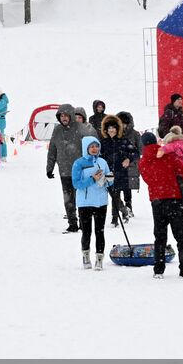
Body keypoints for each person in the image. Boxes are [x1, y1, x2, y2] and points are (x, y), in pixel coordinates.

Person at [139, 131, 183, 278]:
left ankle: (158, 269)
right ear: (155, 140)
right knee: (181, 236)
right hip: (173, 198)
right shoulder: (168, 154)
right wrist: (180, 185)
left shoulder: (143, 162)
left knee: (160, 236)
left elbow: (148, 179)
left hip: (157, 201)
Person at [71, 136, 112, 270]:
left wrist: (110, 179)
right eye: (92, 146)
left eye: (97, 146)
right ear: (86, 148)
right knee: (86, 231)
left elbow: (108, 179)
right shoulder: (79, 163)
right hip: (85, 202)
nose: (95, 149)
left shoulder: (102, 162)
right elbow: (76, 184)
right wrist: (92, 179)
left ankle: (99, 259)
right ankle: (86, 255)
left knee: (100, 231)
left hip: (101, 201)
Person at [46, 104, 86, 232]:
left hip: (79, 170)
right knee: (68, 199)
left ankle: (83, 223)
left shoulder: (80, 129)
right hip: (64, 170)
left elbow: (89, 147)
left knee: (80, 198)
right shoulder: (57, 130)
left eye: (66, 115)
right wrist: (49, 167)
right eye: (61, 115)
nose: (63, 118)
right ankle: (72, 223)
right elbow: (52, 149)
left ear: (70, 116)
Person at [99, 115, 137, 227]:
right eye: (109, 128)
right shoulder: (103, 142)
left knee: (116, 194)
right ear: (105, 129)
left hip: (121, 173)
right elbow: (99, 156)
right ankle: (124, 210)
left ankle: (114, 220)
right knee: (113, 194)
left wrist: (128, 159)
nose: (111, 130)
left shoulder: (124, 141)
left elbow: (135, 152)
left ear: (117, 129)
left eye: (113, 128)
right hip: (108, 172)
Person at [117, 111, 142, 218]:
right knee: (117, 188)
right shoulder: (116, 133)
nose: (123, 126)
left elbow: (140, 149)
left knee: (127, 188)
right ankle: (120, 209)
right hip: (117, 164)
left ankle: (129, 207)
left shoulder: (135, 134)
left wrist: (131, 158)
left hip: (130, 164)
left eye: (125, 123)